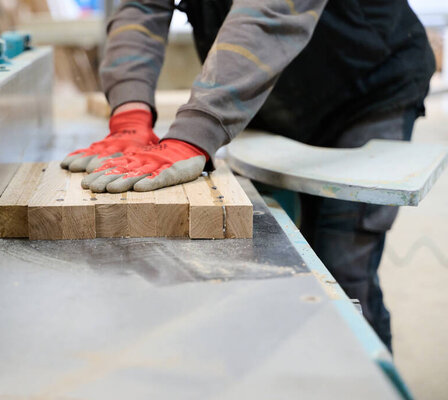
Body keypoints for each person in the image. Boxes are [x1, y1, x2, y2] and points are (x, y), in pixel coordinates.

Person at [60, 0, 435, 351]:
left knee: (341, 272)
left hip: (366, 90)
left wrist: (196, 131)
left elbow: (271, 10)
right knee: (276, 267)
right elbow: (141, 6)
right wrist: (130, 113)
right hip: (273, 94)